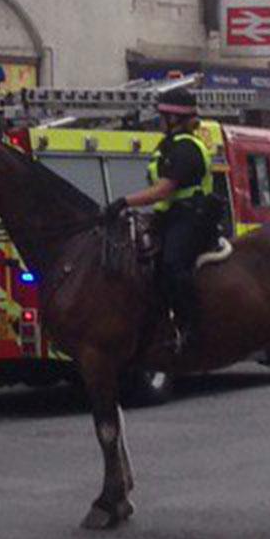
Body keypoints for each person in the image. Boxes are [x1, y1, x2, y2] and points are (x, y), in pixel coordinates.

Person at [103, 86, 221, 354]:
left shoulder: (187, 148)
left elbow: (164, 189)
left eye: (162, 116)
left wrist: (124, 202)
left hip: (192, 216)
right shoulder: (169, 145)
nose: (158, 121)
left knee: (172, 265)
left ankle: (192, 327)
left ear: (174, 118)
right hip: (169, 215)